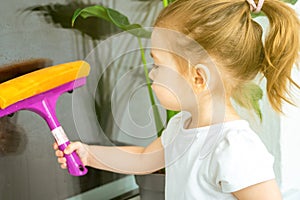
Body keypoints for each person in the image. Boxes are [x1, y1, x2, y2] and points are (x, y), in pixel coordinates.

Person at [54, 0, 299, 199]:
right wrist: (88, 155)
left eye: (158, 65)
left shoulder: (233, 147)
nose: (151, 74)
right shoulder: (181, 126)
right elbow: (142, 159)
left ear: (199, 78)